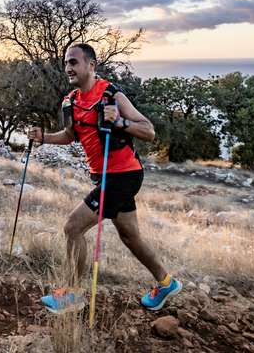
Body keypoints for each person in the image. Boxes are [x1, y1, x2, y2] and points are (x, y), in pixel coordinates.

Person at [27, 43, 182, 314]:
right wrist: (44, 139)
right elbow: (71, 135)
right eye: (66, 63)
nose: (68, 68)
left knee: (72, 227)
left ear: (91, 65)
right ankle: (166, 283)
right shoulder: (71, 101)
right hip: (105, 178)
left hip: (123, 175)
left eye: (74, 62)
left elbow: (148, 131)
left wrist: (120, 122)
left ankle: (73, 294)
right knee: (130, 236)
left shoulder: (111, 95)